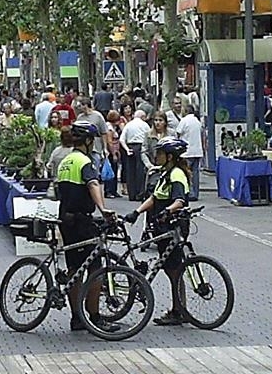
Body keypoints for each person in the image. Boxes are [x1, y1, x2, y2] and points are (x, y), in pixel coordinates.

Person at [55, 121, 119, 333]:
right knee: (95, 269)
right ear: (89, 141)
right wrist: (103, 209)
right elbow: (93, 184)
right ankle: (95, 317)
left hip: (66, 220)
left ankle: (77, 318)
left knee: (75, 269)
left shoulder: (66, 161)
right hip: (81, 222)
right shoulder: (84, 161)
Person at [124, 137, 191, 326]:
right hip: (162, 228)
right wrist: (137, 212)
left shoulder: (176, 174)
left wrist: (168, 211)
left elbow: (180, 200)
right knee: (171, 270)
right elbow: (154, 198)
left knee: (174, 270)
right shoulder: (165, 174)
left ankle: (179, 311)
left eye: (160, 153)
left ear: (169, 156)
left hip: (172, 227)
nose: (156, 156)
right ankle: (179, 309)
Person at [119, 110, 150, 201]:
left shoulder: (128, 125)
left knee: (130, 172)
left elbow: (122, 139)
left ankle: (132, 194)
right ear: (142, 117)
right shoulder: (145, 125)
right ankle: (140, 194)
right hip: (141, 147)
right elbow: (149, 136)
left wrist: (127, 149)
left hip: (130, 147)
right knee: (140, 171)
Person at [176, 106, 204, 201]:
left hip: (187, 152)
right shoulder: (197, 121)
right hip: (197, 151)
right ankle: (195, 193)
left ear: (186, 111)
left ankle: (189, 193)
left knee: (186, 173)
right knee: (195, 174)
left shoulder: (184, 120)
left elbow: (178, 133)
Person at [104, 110, 122, 198]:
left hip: (115, 150)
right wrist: (113, 154)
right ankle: (109, 190)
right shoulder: (109, 128)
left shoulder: (114, 127)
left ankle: (114, 190)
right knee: (110, 171)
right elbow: (109, 142)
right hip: (111, 152)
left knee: (114, 170)